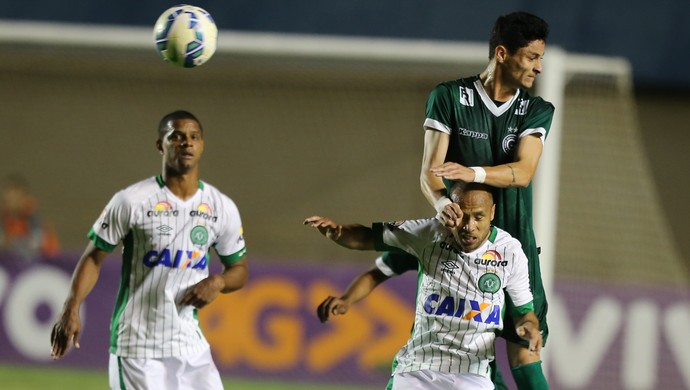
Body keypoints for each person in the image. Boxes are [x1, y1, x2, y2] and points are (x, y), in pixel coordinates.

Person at [50, 110, 248, 390]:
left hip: (190, 346)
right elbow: (94, 257)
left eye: (194, 137)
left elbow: (238, 270)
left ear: (202, 145)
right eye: (176, 137)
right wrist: (71, 306)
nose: (186, 143)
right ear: (160, 145)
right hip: (137, 348)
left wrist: (218, 281)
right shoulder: (131, 201)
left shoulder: (221, 207)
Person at [419, 11, 553, 389]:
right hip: (462, 249)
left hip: (516, 249)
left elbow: (523, 171)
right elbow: (430, 173)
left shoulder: (535, 109)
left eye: (541, 58)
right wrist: (441, 204)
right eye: (531, 57)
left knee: (524, 351)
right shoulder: (448, 97)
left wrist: (472, 172)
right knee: (469, 360)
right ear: (502, 53)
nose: (539, 68)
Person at [306, 183, 542, 390]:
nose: (469, 226)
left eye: (478, 217)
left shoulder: (510, 252)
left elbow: (524, 313)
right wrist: (336, 233)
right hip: (418, 366)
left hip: (472, 373)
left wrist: (528, 326)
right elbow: (369, 240)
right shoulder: (428, 234)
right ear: (450, 209)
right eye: (463, 216)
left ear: (492, 213)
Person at [0, 174, 60, 261]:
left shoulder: (36, 221)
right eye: (7, 200)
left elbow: (42, 246)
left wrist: (11, 244)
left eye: (14, 199)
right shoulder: (3, 220)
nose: (10, 204)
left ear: (24, 199)